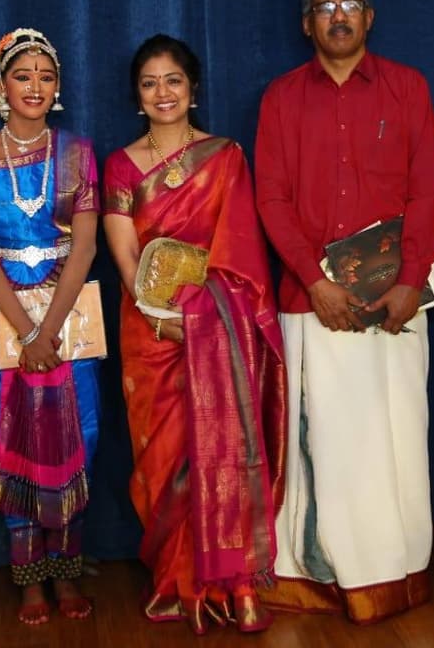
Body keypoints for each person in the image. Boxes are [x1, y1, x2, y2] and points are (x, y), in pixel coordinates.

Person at [254, 0, 434, 623]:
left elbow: (429, 191)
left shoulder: (407, 88)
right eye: (324, 7)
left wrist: (410, 281)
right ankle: (323, 575)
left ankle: (395, 573)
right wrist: (315, 281)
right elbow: (271, 199)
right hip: (313, 307)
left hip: (395, 303)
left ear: (368, 13)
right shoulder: (281, 97)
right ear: (306, 21)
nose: (338, 16)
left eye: (349, 4)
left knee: (395, 439)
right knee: (328, 447)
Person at [102, 34, 287, 635]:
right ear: (137, 94)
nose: (163, 92)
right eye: (151, 82)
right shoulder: (122, 165)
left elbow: (239, 253)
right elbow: (125, 251)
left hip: (217, 328)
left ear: (193, 89)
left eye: (174, 81)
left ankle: (235, 581)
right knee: (163, 461)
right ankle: (180, 580)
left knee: (224, 447)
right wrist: (155, 311)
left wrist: (204, 317)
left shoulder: (225, 156)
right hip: (149, 329)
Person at [0, 27, 101, 625]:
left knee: (76, 437)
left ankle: (66, 571)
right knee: (10, 439)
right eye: (23, 75)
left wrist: (49, 333)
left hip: (70, 320)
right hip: (3, 320)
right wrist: (24, 331)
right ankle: (29, 579)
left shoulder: (78, 153)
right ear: (1, 86)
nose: (34, 86)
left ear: (58, 87)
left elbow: (86, 247)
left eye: (46, 76)